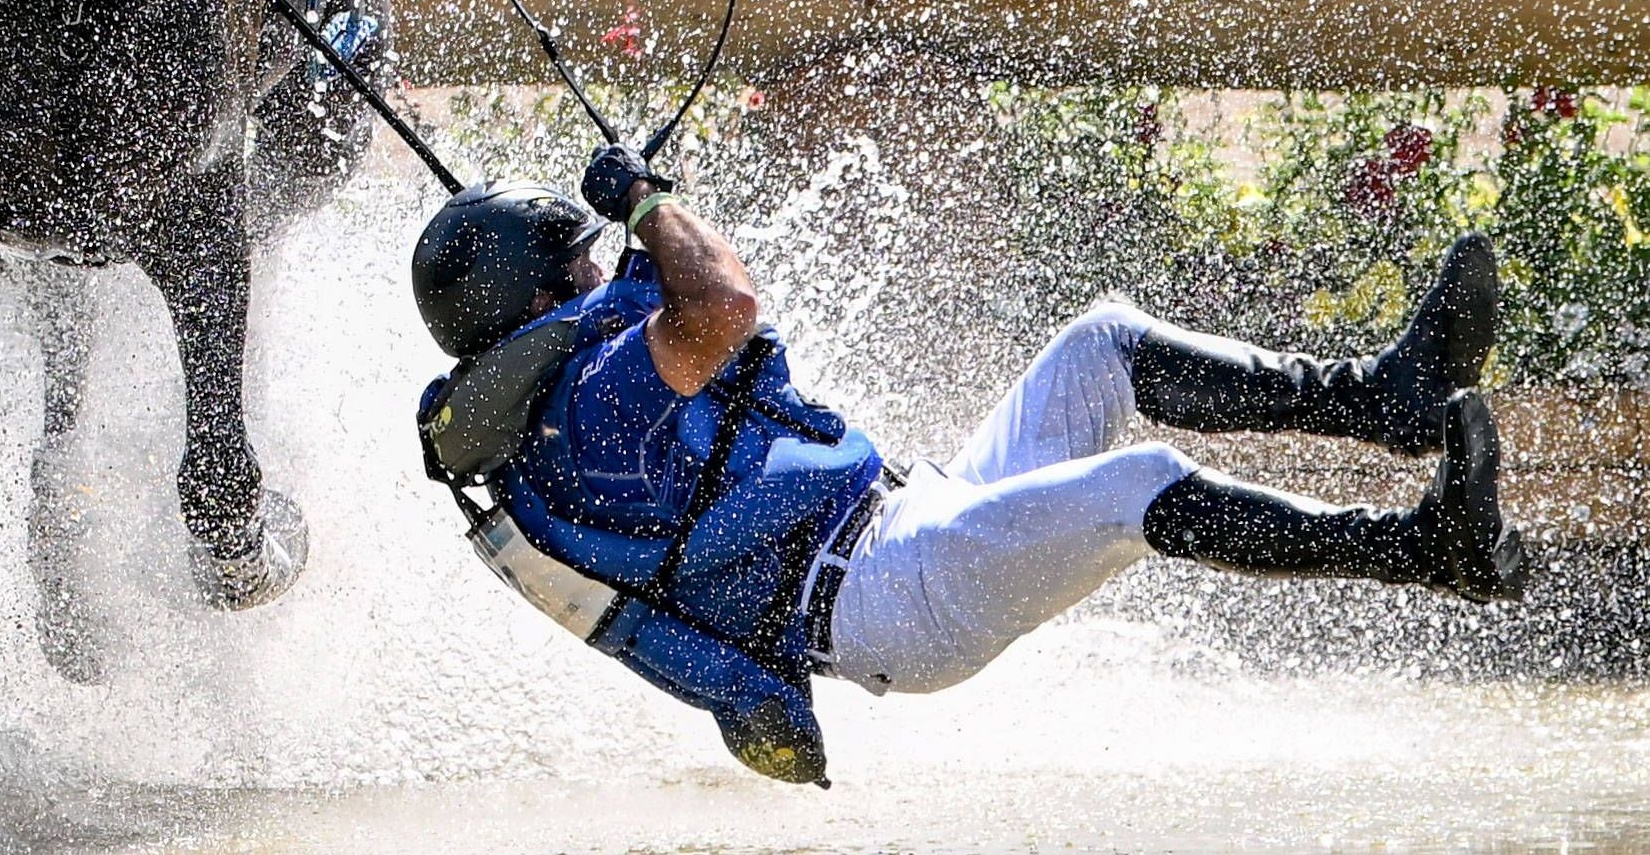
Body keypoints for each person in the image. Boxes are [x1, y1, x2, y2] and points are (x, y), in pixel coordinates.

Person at [411, 145, 1526, 788]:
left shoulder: (566, 407)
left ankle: (1383, 402)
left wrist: (652, 221)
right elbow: (726, 303)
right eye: (581, 258)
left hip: (901, 530)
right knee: (1131, 486)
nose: (606, 266)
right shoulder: (592, 406)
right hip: (886, 599)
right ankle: (1424, 550)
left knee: (1098, 346)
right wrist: (651, 203)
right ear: (539, 296)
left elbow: (703, 312)